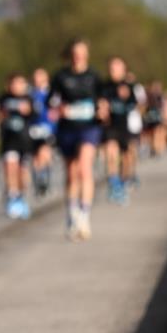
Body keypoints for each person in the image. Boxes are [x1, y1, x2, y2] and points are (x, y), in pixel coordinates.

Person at [48, 38, 103, 241]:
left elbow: (102, 100)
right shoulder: (61, 76)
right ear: (70, 54)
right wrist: (58, 108)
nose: (78, 55)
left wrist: (103, 109)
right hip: (67, 128)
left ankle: (85, 216)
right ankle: (71, 214)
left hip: (89, 128)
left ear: (87, 54)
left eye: (82, 51)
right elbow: (50, 101)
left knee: (84, 168)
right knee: (71, 173)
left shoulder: (94, 76)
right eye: (75, 52)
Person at [100, 56, 138, 206]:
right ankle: (114, 184)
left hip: (124, 126)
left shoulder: (129, 86)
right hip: (110, 126)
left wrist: (127, 97)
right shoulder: (104, 86)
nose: (114, 70)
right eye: (112, 68)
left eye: (117, 67)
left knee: (126, 157)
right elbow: (100, 102)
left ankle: (123, 181)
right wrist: (102, 108)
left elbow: (135, 104)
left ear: (124, 69)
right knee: (111, 153)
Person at [0, 73, 35, 219]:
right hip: (9, 140)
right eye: (14, 83)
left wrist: (28, 110)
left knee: (22, 171)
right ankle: (12, 196)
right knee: (9, 167)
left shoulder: (29, 99)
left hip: (25, 141)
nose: (17, 87)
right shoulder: (3, 99)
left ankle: (21, 196)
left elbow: (36, 115)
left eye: (20, 83)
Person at [28, 67, 56, 197]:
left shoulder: (51, 94)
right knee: (35, 158)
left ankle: (46, 180)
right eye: (36, 76)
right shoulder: (30, 94)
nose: (37, 79)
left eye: (40, 76)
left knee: (44, 153)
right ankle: (38, 183)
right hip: (33, 129)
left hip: (47, 128)